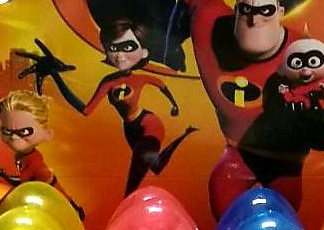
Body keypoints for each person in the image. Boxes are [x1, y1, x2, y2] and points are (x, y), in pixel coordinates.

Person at [174, 0, 324, 217]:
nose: (254, 20)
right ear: (237, 10)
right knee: (224, 193)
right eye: (247, 10)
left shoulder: (308, 60)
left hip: (286, 164)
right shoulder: (210, 26)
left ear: (280, 12)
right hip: (238, 154)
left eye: (265, 11)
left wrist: (313, 119)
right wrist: (169, 44)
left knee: (284, 217)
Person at [19, 22, 197, 197]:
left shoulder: (140, 78)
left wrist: (174, 105)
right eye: (113, 48)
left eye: (127, 47)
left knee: (135, 175)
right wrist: (55, 76)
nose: (119, 55)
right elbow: (86, 110)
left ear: (144, 52)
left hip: (149, 124)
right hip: (130, 129)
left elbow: (160, 84)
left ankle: (127, 201)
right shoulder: (108, 82)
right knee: (156, 166)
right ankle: (184, 135)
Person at [0, 89, 85, 219]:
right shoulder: (23, 156)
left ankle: (75, 211)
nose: (14, 137)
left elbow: (22, 182)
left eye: (24, 131)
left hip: (51, 194)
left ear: (47, 134)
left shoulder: (34, 161)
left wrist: (5, 176)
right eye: (7, 131)